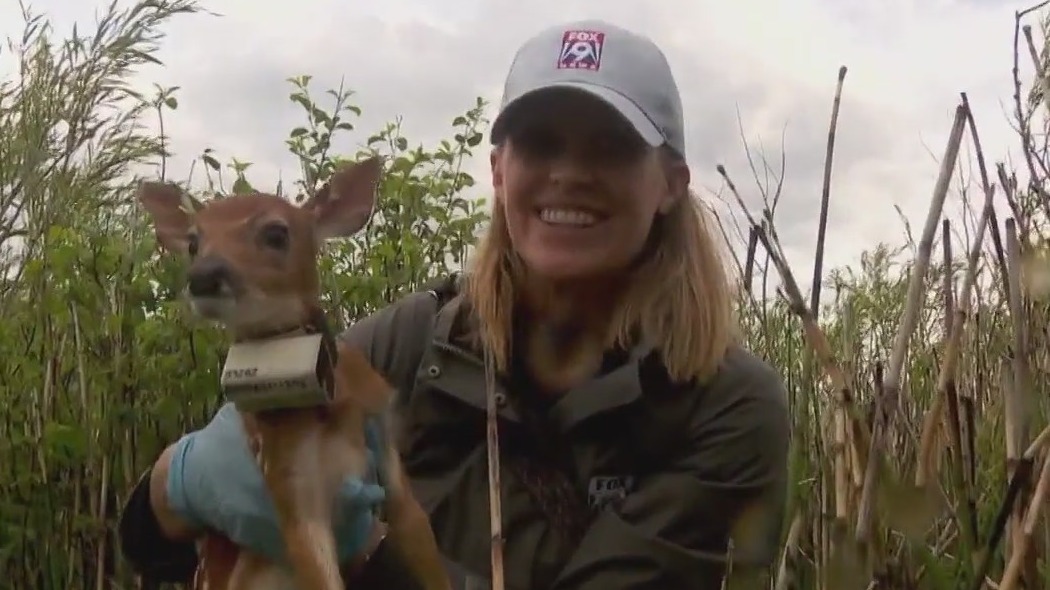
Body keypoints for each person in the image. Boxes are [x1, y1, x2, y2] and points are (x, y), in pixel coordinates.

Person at [117, 18, 791, 590]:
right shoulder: (410, 344)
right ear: (499, 170)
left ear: (670, 185)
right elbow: (158, 547)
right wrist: (176, 485)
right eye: (541, 143)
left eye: (611, 147)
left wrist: (367, 553)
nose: (570, 173)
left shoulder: (724, 407)